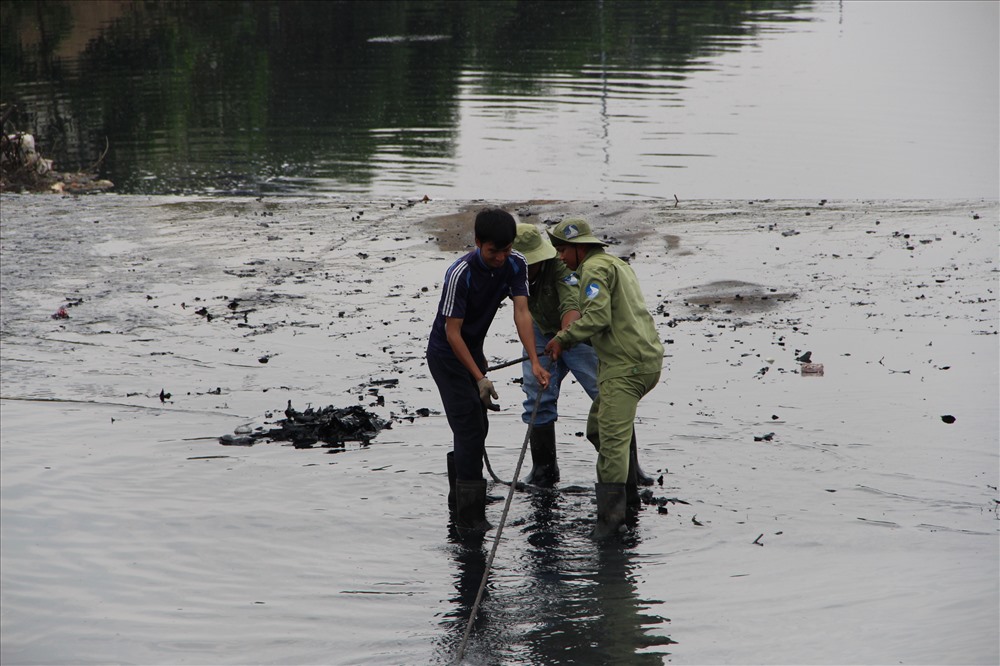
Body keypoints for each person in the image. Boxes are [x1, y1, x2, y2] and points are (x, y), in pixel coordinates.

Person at [427, 208, 551, 532]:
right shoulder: (460, 274)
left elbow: (522, 312)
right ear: (478, 243)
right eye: (493, 251)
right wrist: (480, 377)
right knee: (469, 428)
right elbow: (452, 333)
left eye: (506, 249)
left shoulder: (516, 264)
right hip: (446, 354)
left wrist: (535, 362)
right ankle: (469, 520)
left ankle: (460, 498)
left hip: (474, 352)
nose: (500, 257)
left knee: (477, 427)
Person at [543, 218, 664, 538]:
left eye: (563, 249)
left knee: (610, 444)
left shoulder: (593, 270)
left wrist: (563, 338)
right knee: (598, 429)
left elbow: (597, 316)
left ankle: (611, 525)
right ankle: (630, 499)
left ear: (580, 248)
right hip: (645, 360)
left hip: (626, 368)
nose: (560, 257)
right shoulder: (616, 264)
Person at [512, 222, 654, 491]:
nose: (526, 269)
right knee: (536, 395)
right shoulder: (510, 272)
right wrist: (534, 357)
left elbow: (572, 306)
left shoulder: (562, 264)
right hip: (541, 333)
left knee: (610, 398)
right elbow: (521, 313)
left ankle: (630, 468)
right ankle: (544, 470)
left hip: (578, 334)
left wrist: (564, 339)